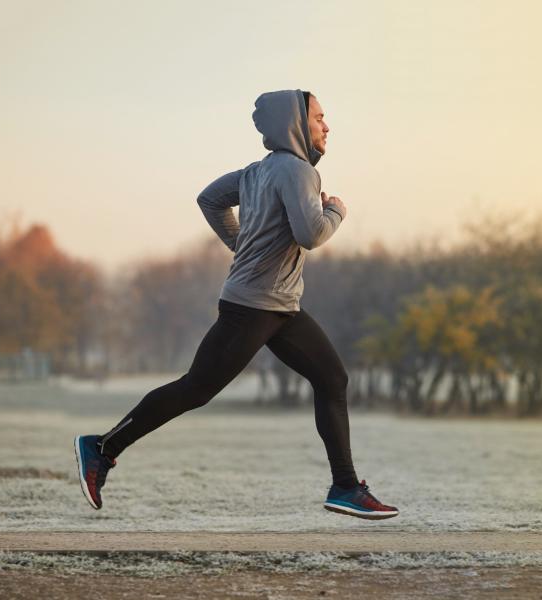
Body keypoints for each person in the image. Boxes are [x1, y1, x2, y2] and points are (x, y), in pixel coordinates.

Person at [74, 89, 399, 520]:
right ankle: (101, 448)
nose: (327, 126)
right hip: (253, 307)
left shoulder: (258, 172)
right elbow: (311, 234)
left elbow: (209, 198)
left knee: (332, 379)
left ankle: (344, 486)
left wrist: (239, 243)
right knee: (196, 388)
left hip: (281, 307)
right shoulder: (299, 172)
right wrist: (336, 211)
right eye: (320, 117)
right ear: (297, 123)